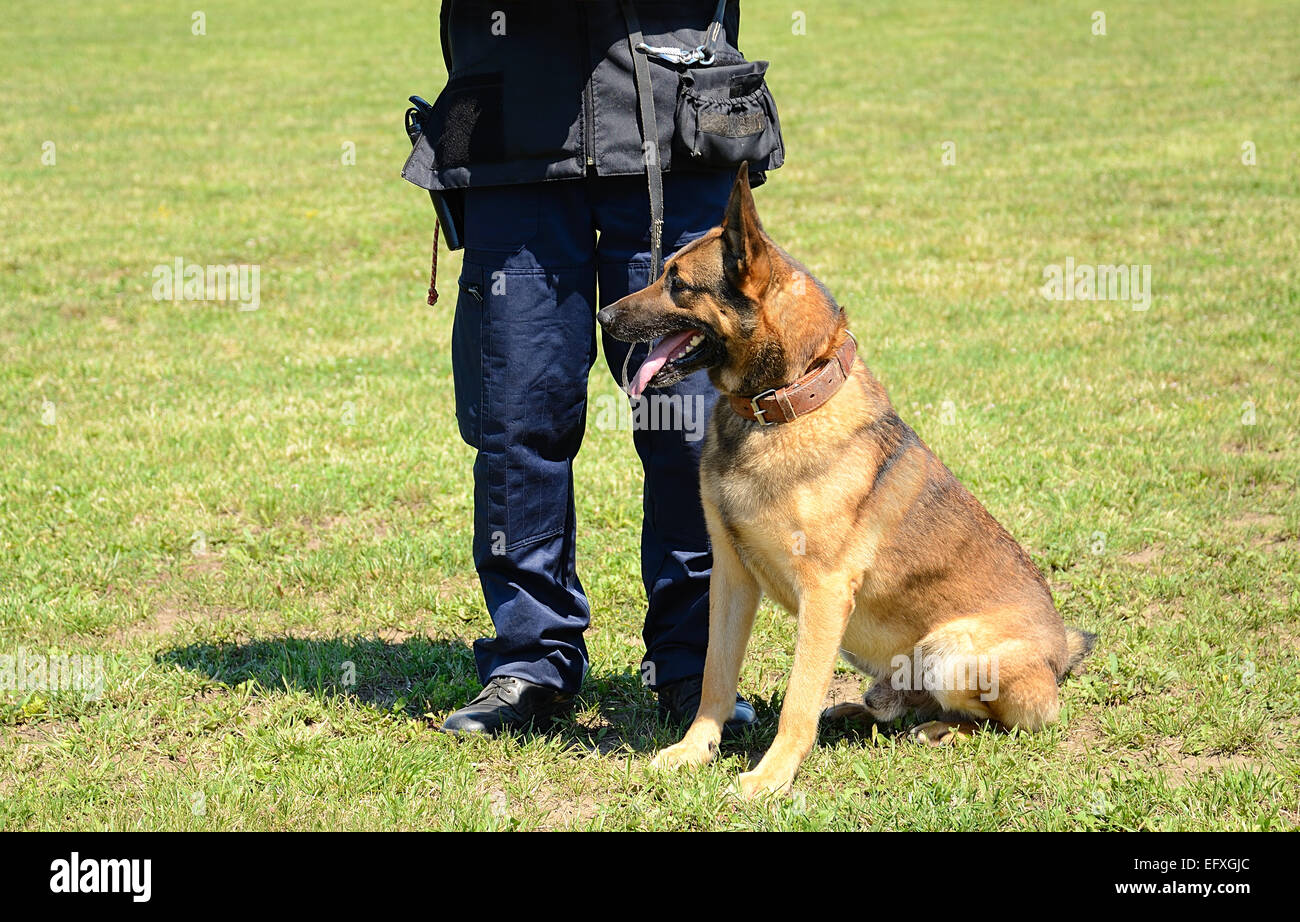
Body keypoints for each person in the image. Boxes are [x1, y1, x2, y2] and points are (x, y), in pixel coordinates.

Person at [402, 0, 783, 735]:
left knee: (690, 428)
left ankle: (696, 667)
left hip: (675, 125)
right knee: (518, 416)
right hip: (511, 133)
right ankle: (529, 663)